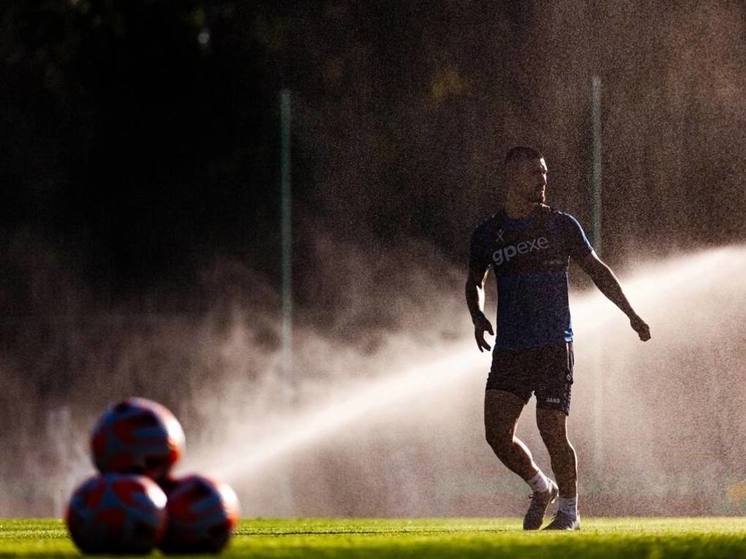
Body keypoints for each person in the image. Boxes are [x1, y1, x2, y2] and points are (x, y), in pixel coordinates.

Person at [465, 146, 650, 530]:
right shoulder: (487, 235)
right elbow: (475, 281)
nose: (543, 180)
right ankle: (540, 487)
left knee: (552, 428)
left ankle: (569, 513)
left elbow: (598, 270)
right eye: (535, 173)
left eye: (545, 173)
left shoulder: (560, 225)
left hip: (553, 344)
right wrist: (477, 314)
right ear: (512, 178)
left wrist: (631, 314)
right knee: (497, 434)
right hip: (511, 349)